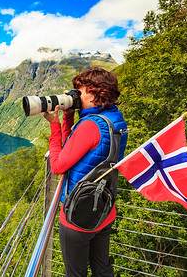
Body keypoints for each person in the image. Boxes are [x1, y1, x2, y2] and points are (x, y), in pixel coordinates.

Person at [43, 66, 128, 277]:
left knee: (76, 273)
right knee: (102, 268)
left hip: (78, 215)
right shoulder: (115, 119)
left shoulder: (90, 125)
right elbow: (75, 148)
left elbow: (57, 165)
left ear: (95, 93)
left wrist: (55, 125)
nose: (75, 96)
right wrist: (69, 118)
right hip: (104, 209)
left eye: (79, 91)